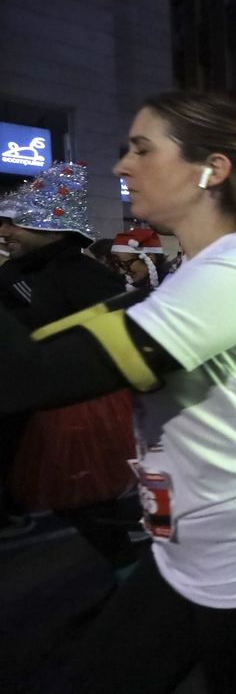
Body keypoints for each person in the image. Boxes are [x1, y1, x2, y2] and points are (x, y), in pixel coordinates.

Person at [1, 92, 236, 694]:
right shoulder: (192, 272)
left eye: (142, 148)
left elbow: (30, 376)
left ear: (211, 169)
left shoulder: (235, 272)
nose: (120, 166)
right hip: (183, 552)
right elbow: (46, 347)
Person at [0, 164, 142, 580]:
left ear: (54, 229)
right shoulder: (14, 273)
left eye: (16, 224)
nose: (5, 231)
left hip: (75, 413)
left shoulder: (87, 277)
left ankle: (131, 574)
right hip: (28, 406)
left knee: (82, 495)